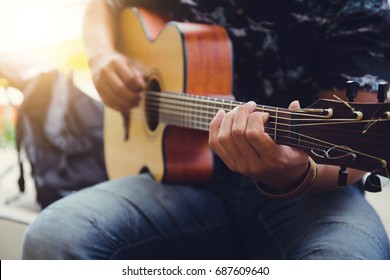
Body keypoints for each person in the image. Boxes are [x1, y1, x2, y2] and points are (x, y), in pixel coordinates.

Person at [21, 0, 390, 259]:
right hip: (183, 180)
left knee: (348, 263)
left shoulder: (358, 7)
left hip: (312, 194)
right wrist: (102, 57)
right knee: (53, 238)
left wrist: (295, 171)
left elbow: (350, 161)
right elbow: (103, 6)